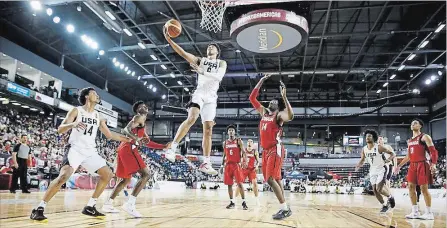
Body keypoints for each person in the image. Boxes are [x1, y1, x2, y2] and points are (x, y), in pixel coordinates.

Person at [30, 87, 130, 221]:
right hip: (75, 149)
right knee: (63, 177)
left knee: (108, 174)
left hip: (90, 152)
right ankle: (39, 209)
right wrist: (74, 123)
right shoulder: (76, 110)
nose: (97, 95)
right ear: (87, 96)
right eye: (94, 93)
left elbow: (109, 134)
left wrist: (128, 139)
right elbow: (60, 129)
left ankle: (90, 206)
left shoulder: (97, 115)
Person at [164, 28, 227, 175]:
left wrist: (202, 72)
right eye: (208, 47)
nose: (210, 47)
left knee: (208, 130)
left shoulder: (221, 63)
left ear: (217, 52)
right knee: (192, 118)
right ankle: (172, 147)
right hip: (200, 93)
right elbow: (183, 54)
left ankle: (206, 162)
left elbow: (219, 77)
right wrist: (170, 41)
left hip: (212, 98)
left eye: (213, 47)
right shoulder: (201, 60)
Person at [102, 101, 169, 217]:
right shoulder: (139, 117)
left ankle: (108, 204)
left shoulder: (142, 123)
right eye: (141, 106)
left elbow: (148, 143)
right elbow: (125, 130)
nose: (144, 107)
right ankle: (130, 204)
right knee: (146, 175)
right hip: (129, 148)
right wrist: (136, 138)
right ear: (137, 110)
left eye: (145, 105)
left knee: (125, 180)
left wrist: (163, 146)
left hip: (124, 149)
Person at [249, 74, 294, 220]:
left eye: (275, 101)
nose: (272, 101)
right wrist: (261, 80)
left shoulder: (278, 116)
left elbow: (291, 116)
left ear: (278, 106)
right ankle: (286, 207)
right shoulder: (263, 112)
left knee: (269, 179)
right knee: (276, 179)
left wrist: (285, 98)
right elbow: (252, 98)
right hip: (266, 150)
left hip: (275, 148)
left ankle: (284, 208)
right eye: (271, 100)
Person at [394, 118, 438, 220]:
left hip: (422, 164)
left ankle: (429, 213)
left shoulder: (424, 137)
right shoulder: (410, 141)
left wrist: (434, 163)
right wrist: (399, 166)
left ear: (420, 126)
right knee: (410, 187)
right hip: (412, 165)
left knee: (424, 189)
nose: (413, 124)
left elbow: (433, 151)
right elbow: (408, 156)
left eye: (416, 123)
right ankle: (415, 212)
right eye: (412, 123)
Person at [355, 129, 396, 213]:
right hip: (372, 169)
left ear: (374, 138)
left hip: (382, 168)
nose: (367, 138)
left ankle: (390, 197)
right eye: (366, 136)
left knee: (379, 189)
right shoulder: (364, 149)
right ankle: (384, 205)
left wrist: (389, 159)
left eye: (369, 136)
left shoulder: (379, 147)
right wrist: (358, 165)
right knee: (374, 190)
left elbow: (393, 154)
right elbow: (363, 159)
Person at [221, 125, 248, 210]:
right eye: (229, 130)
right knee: (229, 185)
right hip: (228, 165)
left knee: (240, 184)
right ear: (227, 132)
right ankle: (232, 202)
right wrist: (222, 165)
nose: (231, 131)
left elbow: (243, 152)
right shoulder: (225, 143)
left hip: (236, 165)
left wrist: (245, 161)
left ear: (234, 132)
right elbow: (224, 155)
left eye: (232, 130)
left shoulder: (238, 141)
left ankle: (244, 202)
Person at [236, 139, 260, 204]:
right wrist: (240, 164)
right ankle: (234, 199)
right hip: (244, 169)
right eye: (248, 142)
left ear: (252, 144)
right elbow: (239, 159)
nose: (249, 143)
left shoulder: (255, 151)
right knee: (239, 183)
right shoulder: (243, 151)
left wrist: (257, 166)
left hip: (252, 170)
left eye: (251, 142)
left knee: (255, 183)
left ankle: (257, 199)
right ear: (247, 143)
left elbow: (258, 161)